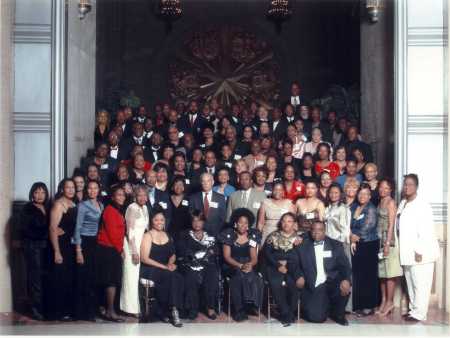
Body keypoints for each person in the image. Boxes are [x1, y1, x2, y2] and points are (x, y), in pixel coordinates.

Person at [290, 221, 351, 326]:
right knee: (316, 318)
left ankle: (339, 314)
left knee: (344, 285)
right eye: (314, 230)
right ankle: (324, 307)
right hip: (314, 284)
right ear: (310, 231)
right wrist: (299, 276)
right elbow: (293, 263)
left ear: (325, 231)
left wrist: (346, 279)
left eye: (320, 230)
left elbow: (345, 266)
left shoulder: (335, 245)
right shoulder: (302, 245)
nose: (316, 232)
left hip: (331, 281)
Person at [397, 174, 440, 322]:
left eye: (410, 184)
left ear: (416, 187)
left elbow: (426, 230)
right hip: (406, 251)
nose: (406, 187)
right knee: (411, 282)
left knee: (421, 283)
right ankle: (413, 310)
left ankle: (420, 314)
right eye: (405, 184)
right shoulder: (403, 203)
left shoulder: (423, 205)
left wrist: (419, 250)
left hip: (420, 252)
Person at [140, 209, 184, 327]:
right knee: (170, 276)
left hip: (164, 268)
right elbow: (144, 258)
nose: (159, 222)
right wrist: (164, 266)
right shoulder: (147, 236)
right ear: (151, 221)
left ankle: (168, 309)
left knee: (178, 276)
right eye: (156, 220)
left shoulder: (167, 235)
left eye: (162, 220)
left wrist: (170, 263)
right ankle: (173, 312)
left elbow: (173, 254)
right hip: (150, 268)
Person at [218, 209, 263, 322]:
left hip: (247, 263)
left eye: (246, 223)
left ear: (248, 225)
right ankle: (239, 309)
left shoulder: (252, 235)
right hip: (232, 264)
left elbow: (254, 258)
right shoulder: (228, 234)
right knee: (238, 278)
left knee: (254, 277)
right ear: (235, 223)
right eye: (240, 222)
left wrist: (249, 265)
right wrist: (240, 265)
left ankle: (251, 305)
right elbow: (227, 257)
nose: (243, 225)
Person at [176, 211, 219, 320]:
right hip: (191, 263)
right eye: (194, 220)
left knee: (211, 275)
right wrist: (192, 258)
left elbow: (215, 250)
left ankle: (210, 308)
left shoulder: (210, 234)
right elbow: (182, 250)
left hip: (207, 263)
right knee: (191, 277)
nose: (197, 223)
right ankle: (192, 309)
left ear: (203, 222)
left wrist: (207, 257)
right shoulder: (184, 234)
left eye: (199, 220)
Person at [73, 180, 104, 321]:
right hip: (84, 242)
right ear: (87, 190)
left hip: (96, 244)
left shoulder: (101, 205)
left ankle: (92, 311)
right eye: (90, 188)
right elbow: (77, 228)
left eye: (95, 188)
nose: (92, 191)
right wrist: (78, 250)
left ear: (99, 190)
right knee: (83, 278)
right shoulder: (82, 205)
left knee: (93, 278)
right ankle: (82, 313)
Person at [263, 212, 302, 326]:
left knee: (293, 283)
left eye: (289, 221)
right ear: (280, 223)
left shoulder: (300, 237)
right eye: (284, 221)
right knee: (276, 284)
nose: (286, 224)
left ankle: (290, 312)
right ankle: (286, 313)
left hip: (292, 267)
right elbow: (267, 254)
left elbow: (300, 255)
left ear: (294, 223)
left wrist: (287, 264)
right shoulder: (273, 236)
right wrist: (278, 265)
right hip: (275, 266)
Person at [47, 178, 77, 321]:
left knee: (68, 279)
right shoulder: (59, 205)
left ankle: (67, 310)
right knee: (60, 278)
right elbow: (53, 229)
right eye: (68, 187)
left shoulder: (73, 203)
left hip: (71, 246)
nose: (71, 189)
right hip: (61, 246)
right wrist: (56, 251)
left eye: (73, 187)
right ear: (62, 189)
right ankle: (57, 312)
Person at [96, 186, 127, 322]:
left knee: (112, 281)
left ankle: (110, 310)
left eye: (123, 195)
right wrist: (120, 250)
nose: (121, 197)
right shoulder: (110, 211)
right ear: (113, 197)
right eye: (118, 195)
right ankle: (110, 311)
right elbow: (113, 235)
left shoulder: (117, 210)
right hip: (108, 250)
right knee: (111, 281)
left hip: (112, 249)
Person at [20, 182, 50, 320]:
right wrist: (48, 231)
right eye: (37, 192)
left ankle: (44, 308)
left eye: (42, 192)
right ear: (32, 193)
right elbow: (27, 230)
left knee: (45, 277)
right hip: (32, 246)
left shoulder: (48, 207)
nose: (40, 195)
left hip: (45, 246)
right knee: (35, 279)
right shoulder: (27, 208)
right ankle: (35, 310)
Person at [350, 183, 379, 317]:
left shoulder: (371, 208)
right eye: (360, 193)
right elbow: (348, 223)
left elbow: (368, 226)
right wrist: (350, 236)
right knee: (358, 276)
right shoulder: (355, 206)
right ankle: (359, 305)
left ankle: (369, 306)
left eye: (366, 194)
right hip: (356, 244)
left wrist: (354, 237)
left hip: (368, 245)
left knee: (368, 276)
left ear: (370, 195)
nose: (362, 196)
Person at [120, 185, 149, 317]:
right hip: (131, 246)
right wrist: (134, 251)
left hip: (140, 245)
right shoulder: (131, 208)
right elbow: (129, 232)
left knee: (136, 277)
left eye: (145, 195)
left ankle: (136, 306)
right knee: (130, 277)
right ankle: (130, 309)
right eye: (139, 195)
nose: (142, 197)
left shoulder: (145, 208)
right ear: (134, 196)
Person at [376, 178, 403, 317]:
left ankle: (390, 302)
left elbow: (392, 224)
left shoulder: (391, 202)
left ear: (391, 189)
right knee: (382, 274)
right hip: (379, 240)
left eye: (386, 188)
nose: (383, 190)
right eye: (381, 187)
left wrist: (387, 244)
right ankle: (383, 301)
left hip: (389, 241)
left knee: (390, 274)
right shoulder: (381, 201)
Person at [189, 173, 226, 237]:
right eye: (203, 181)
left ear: (212, 182)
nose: (206, 183)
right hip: (197, 234)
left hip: (215, 234)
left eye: (208, 181)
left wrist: (217, 232)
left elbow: (222, 218)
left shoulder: (220, 198)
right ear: (201, 183)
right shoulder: (193, 198)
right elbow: (191, 217)